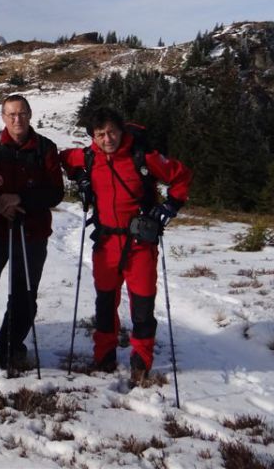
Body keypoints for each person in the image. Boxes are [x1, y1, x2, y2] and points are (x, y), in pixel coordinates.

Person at [60, 107, 192, 384]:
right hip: (106, 242)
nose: (107, 139)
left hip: (139, 243)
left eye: (111, 133)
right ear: (93, 137)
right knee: (105, 303)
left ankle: (140, 360)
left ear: (121, 131)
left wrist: (171, 204)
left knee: (142, 306)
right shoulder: (87, 156)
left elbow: (180, 175)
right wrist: (80, 177)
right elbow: (63, 158)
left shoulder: (142, 156)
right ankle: (104, 355)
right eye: (100, 135)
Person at [0, 94, 64, 369]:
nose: (17, 119)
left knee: (24, 293)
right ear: (3, 117)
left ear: (30, 114)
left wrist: (19, 198)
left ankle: (10, 346)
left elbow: (55, 191)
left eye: (21, 113)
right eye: (11, 114)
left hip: (32, 234)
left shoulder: (45, 148)